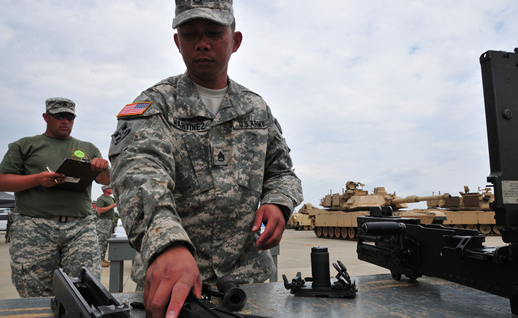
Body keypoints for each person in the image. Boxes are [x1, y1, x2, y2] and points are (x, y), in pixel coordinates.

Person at [108, 1, 303, 317]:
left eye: (214, 32)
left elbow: (282, 171)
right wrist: (167, 242)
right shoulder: (153, 104)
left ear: (235, 41)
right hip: (173, 287)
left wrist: (278, 201)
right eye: (189, 34)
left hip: (248, 287)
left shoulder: (256, 109)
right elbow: (137, 168)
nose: (202, 43)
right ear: (177, 42)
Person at [0, 97, 111, 297]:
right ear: (46, 117)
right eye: (59, 116)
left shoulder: (88, 148)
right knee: (34, 292)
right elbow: (3, 181)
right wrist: (38, 179)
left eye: (70, 117)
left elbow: (104, 180)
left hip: (80, 228)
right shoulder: (25, 145)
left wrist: (102, 167)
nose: (65, 121)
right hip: (35, 227)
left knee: (86, 289)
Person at [96, 185, 117, 267]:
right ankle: (99, 260)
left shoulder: (111, 199)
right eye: (111, 188)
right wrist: (112, 206)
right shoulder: (101, 198)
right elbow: (99, 210)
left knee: (106, 241)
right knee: (101, 240)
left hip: (109, 221)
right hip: (103, 222)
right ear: (106, 190)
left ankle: (102, 258)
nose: (112, 189)